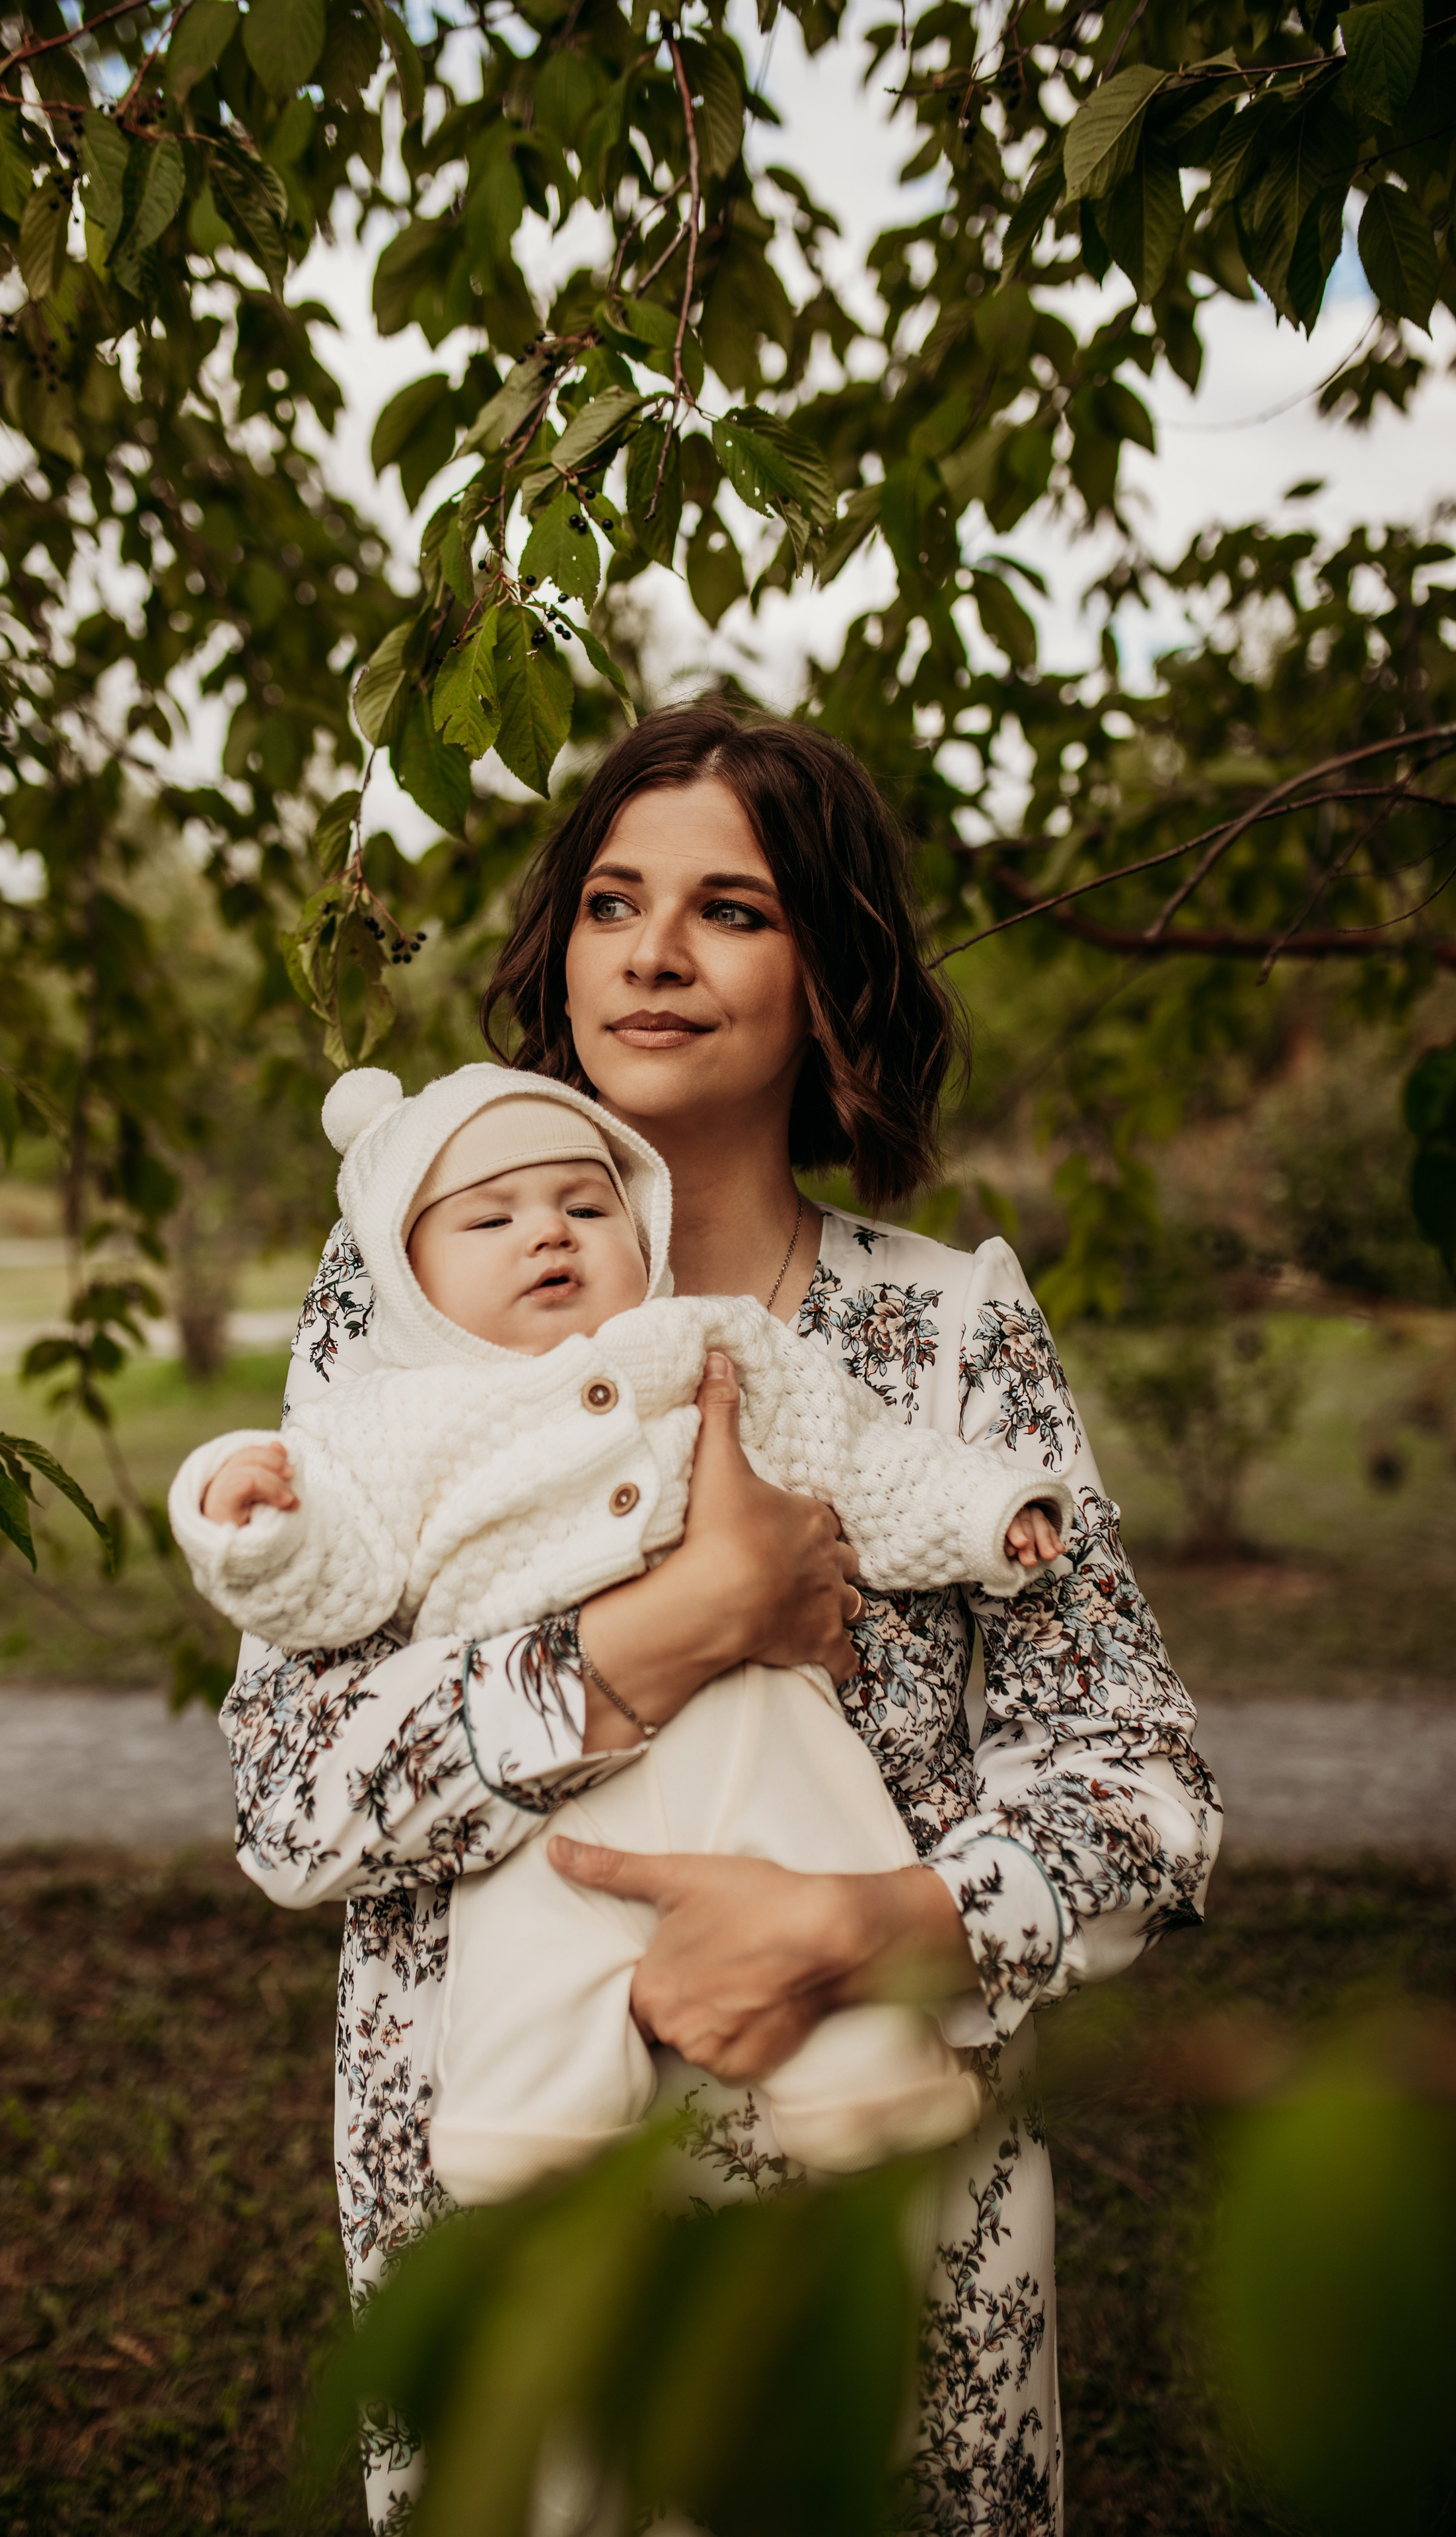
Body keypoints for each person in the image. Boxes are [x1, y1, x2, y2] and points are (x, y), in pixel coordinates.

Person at [219, 704, 1221, 2536]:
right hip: (505, 2234)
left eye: (732, 910)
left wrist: (876, 1923)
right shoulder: (405, 1318)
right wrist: (673, 1632)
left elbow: (1145, 1794)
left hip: (882, 2239)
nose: (656, 954)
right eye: (614, 902)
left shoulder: (944, 1336)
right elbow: (293, 1806)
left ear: (830, 967)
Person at [170, 1061, 1071, 2203]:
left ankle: (874, 2081)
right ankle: (525, 2122)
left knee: (821, 1824)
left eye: (586, 1208)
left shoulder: (706, 1345)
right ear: (408, 1279)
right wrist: (260, 1530)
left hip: (765, 1717)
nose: (547, 1235)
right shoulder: (388, 1419)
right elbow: (335, 1582)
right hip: (543, 1782)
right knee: (530, 1931)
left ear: (640, 1229)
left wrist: (991, 1511)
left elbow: (866, 1458)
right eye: (491, 1219)